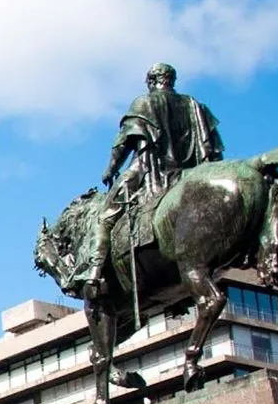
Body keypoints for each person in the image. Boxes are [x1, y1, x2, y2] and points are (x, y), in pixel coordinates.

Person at [84, 62, 224, 290]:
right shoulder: (194, 105)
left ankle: (95, 271)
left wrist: (110, 169)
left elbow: (123, 143)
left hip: (152, 170)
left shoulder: (144, 102)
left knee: (105, 217)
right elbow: (214, 148)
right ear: (172, 80)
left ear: (151, 81)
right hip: (192, 172)